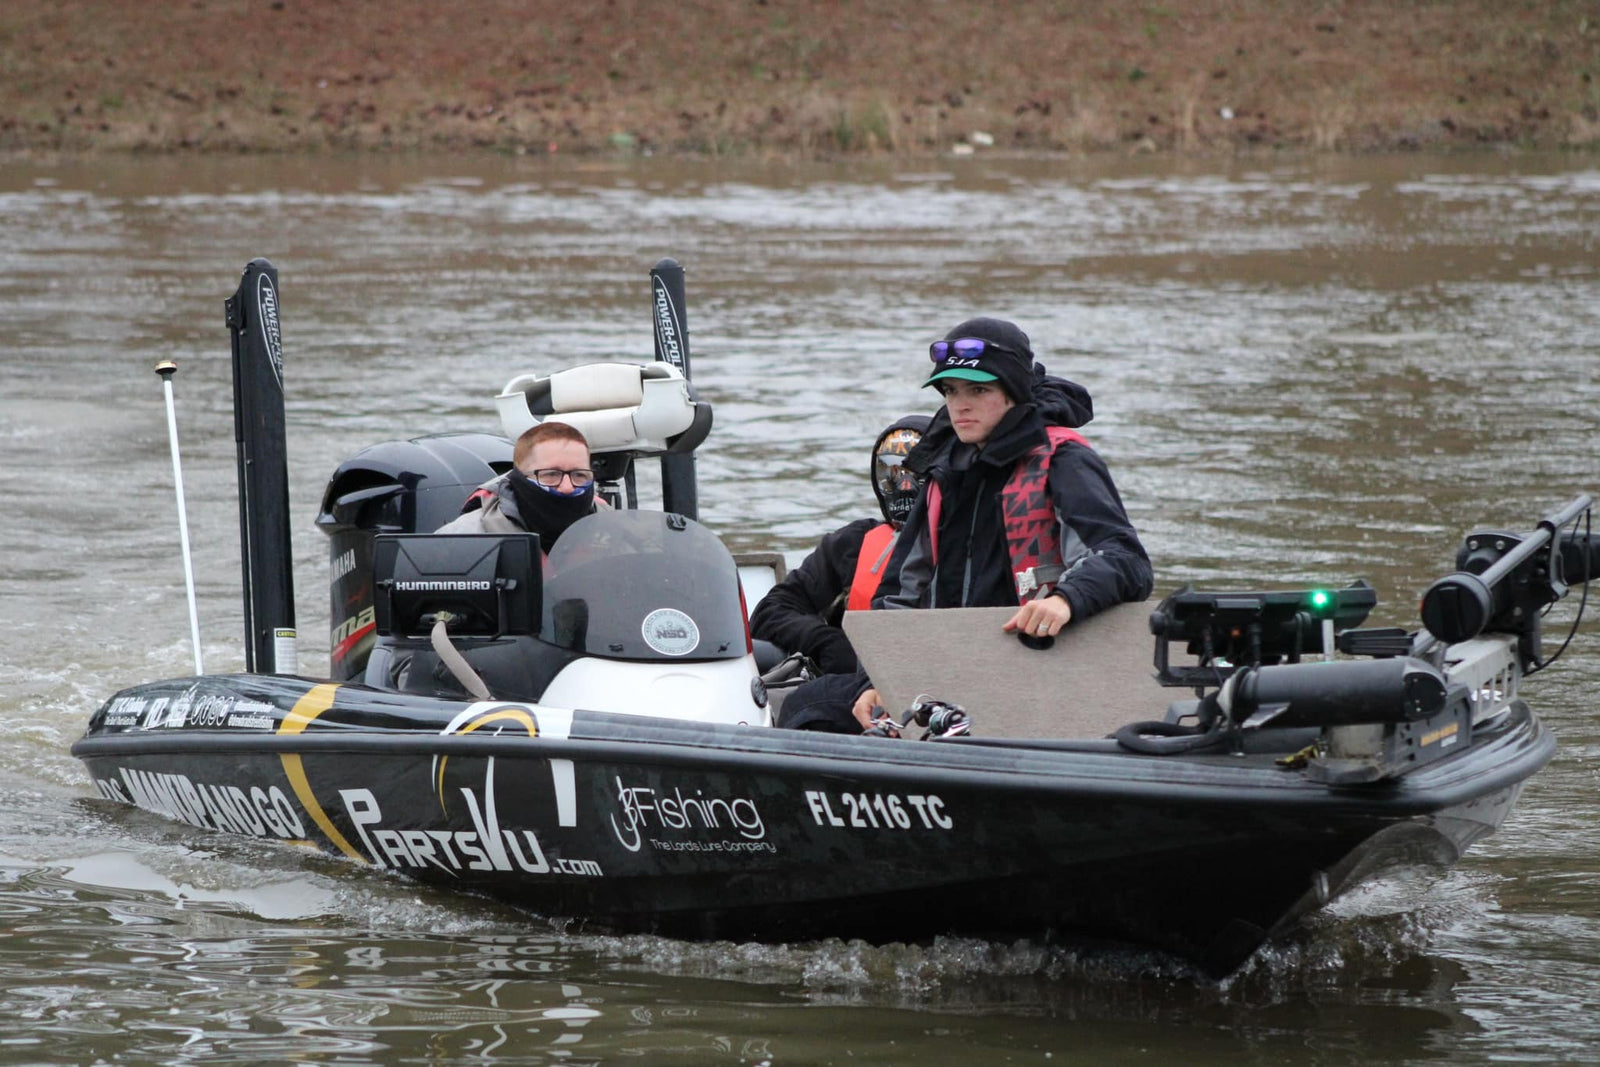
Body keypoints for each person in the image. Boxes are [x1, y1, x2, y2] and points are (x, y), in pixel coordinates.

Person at [783, 316, 1154, 734]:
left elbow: (1126, 561)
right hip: (947, 675)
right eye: (951, 391)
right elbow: (901, 595)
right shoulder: (943, 468)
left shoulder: (1064, 461)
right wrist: (878, 680)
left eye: (978, 390)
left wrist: (1065, 600)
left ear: (1013, 392)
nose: (960, 404)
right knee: (809, 707)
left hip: (1038, 669)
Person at [750, 414, 930, 677]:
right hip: (858, 684)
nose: (904, 486)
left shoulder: (973, 545)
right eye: (893, 473)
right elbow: (771, 611)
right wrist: (827, 642)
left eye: (917, 475)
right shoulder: (853, 544)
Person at [435, 421, 602, 545]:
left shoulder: (616, 534)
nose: (567, 487)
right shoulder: (463, 539)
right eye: (551, 474)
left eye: (579, 474)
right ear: (520, 479)